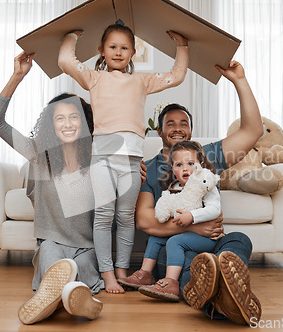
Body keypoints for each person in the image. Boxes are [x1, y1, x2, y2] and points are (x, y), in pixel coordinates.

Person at [58, 21, 190, 294]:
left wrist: (182, 45)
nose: (118, 52)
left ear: (133, 52)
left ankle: (122, 270)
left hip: (130, 162)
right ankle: (107, 274)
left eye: (124, 47)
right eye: (113, 47)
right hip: (103, 159)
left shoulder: (141, 81)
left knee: (126, 218)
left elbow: (176, 76)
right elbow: (64, 60)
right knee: (104, 217)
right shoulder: (94, 78)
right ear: (102, 50)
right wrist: (72, 35)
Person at [135, 61, 264, 325]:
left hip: (215, 240)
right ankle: (220, 305)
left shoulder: (207, 156)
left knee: (239, 239)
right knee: (191, 264)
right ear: (159, 131)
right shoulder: (148, 168)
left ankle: (229, 284)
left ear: (191, 130)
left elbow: (253, 131)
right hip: (179, 247)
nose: (178, 127)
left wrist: (239, 80)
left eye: (184, 123)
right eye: (170, 123)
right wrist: (193, 229)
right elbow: (144, 220)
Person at [0, 51, 103, 325]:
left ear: (85, 122)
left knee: (81, 266)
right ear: (51, 125)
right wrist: (18, 76)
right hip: (51, 243)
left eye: (74, 117)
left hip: (86, 247)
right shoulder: (39, 154)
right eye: (59, 118)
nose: (67, 124)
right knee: (54, 264)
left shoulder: (98, 157)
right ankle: (78, 301)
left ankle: (57, 301)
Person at [118, 140, 223, 302]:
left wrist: (192, 217)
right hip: (190, 233)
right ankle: (145, 273)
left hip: (207, 238)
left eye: (190, 163)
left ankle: (171, 282)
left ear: (200, 165)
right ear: (173, 169)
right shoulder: (175, 187)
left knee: (174, 242)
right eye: (179, 165)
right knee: (155, 237)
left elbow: (215, 209)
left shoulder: (205, 185)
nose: (185, 168)